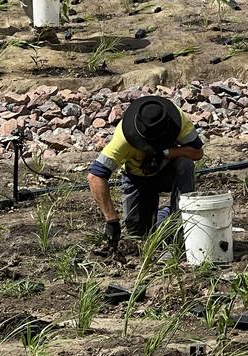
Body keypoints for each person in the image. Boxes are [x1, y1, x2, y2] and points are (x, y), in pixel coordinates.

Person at [87, 96, 204, 252]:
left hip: (167, 172)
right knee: (139, 236)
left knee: (185, 163)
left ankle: (180, 226)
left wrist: (168, 153)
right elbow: (95, 176)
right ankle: (166, 214)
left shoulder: (178, 120)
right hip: (137, 178)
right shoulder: (123, 138)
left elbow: (197, 152)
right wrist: (112, 220)